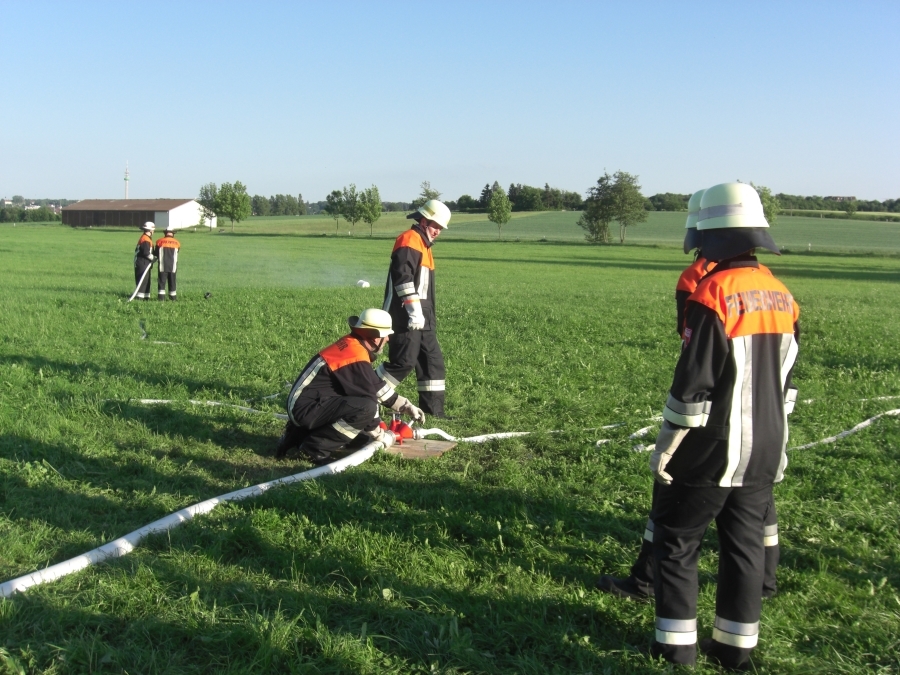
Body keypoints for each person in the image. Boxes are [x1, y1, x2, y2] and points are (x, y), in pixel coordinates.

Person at [597, 188, 781, 603]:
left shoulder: (705, 284)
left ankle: (650, 589)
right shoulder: (774, 287)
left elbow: (694, 358)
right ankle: (758, 596)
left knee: (675, 521)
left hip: (714, 426)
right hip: (766, 428)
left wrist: (669, 440)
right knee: (751, 522)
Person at [647, 182, 799, 669]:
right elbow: (787, 384)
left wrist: (667, 443)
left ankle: (676, 649)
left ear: (712, 234)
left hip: (712, 446)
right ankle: (737, 650)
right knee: (744, 546)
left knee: (677, 540)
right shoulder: (781, 294)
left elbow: (693, 383)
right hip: (767, 447)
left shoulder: (713, 293)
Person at [274, 308, 426, 465]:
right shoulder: (354, 356)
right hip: (305, 410)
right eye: (385, 334)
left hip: (308, 405)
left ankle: (300, 436)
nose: (387, 339)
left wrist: (404, 405)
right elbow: (369, 399)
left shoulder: (353, 346)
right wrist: (380, 436)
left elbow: (373, 384)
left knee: (358, 435)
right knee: (365, 408)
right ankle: (313, 449)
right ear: (374, 337)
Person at [378, 199, 451, 418]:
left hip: (424, 320)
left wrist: (424, 316)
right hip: (405, 317)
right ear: (424, 220)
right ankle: (365, 390)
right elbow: (403, 279)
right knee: (403, 363)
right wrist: (414, 312)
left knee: (432, 364)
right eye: (436, 226)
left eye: (440, 228)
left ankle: (434, 413)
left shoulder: (424, 244)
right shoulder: (409, 239)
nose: (438, 231)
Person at [154, 228, 181, 300]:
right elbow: (177, 252)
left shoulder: (159, 241)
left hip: (162, 265)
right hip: (173, 266)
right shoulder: (177, 243)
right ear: (173, 234)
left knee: (161, 282)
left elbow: (156, 253)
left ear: (165, 233)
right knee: (172, 282)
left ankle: (161, 299)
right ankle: (173, 299)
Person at [133, 222, 155, 300]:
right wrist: (153, 258)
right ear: (150, 230)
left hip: (145, 263)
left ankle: (146, 298)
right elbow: (146, 253)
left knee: (146, 281)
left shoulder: (146, 238)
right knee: (142, 281)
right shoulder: (145, 239)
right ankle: (140, 298)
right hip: (142, 263)